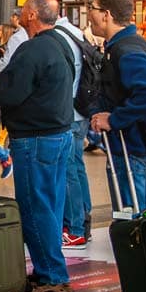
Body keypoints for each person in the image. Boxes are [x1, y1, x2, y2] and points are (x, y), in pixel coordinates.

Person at [0, 0, 75, 292]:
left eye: (23, 10)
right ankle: (47, 269)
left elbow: (11, 92)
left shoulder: (31, 48)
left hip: (35, 138)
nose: (20, 15)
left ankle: (52, 274)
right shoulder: (62, 44)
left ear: (33, 15)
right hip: (61, 133)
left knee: (36, 207)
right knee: (51, 204)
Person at [88, 0, 146, 213]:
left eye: (92, 8)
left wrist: (114, 119)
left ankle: (139, 248)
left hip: (132, 148)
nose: (89, 15)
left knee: (133, 218)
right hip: (143, 145)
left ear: (107, 14)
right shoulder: (131, 44)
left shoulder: (127, 50)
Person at [52, 14, 91, 249]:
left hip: (68, 114)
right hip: (81, 111)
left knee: (68, 172)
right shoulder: (76, 33)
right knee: (77, 168)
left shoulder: (56, 37)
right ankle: (84, 222)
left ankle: (75, 228)